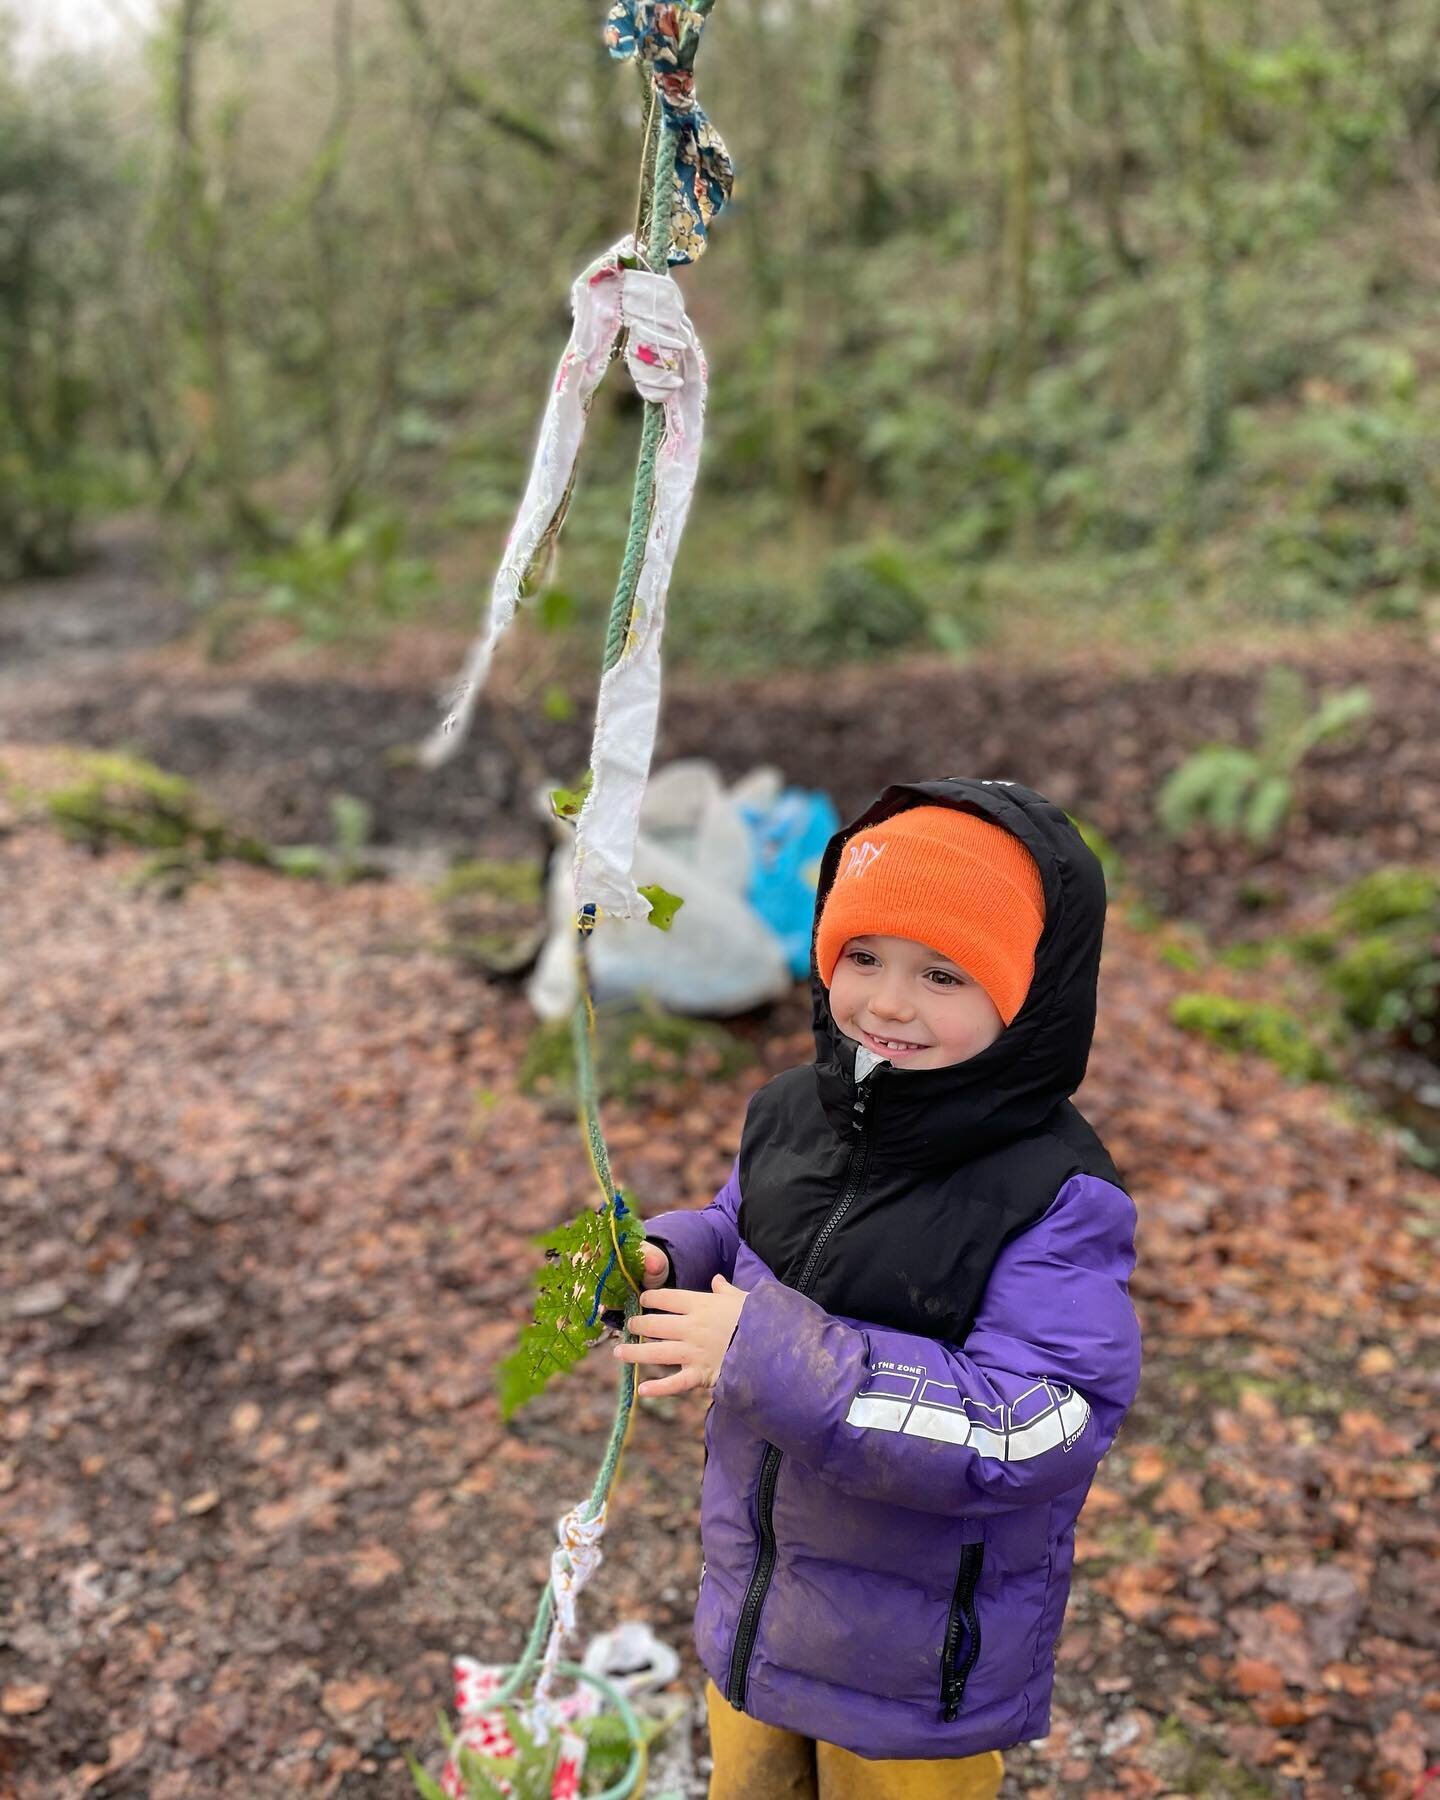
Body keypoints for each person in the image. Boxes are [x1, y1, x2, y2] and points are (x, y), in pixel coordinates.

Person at [615, 777, 1143, 1800]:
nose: (889, 1003)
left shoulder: (1053, 1194)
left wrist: (765, 1353)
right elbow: (743, 1233)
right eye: (863, 957)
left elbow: (1042, 1425)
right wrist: (670, 1256)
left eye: (943, 975)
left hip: (908, 1671)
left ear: (1027, 996)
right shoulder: (790, 1113)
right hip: (759, 1601)